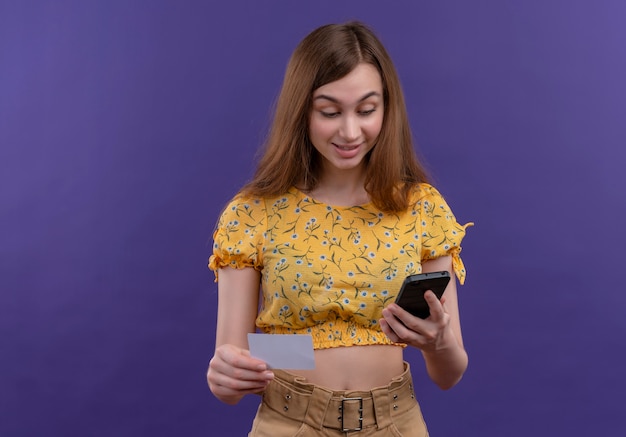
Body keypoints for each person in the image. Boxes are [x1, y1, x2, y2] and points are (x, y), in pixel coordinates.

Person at [207, 21, 472, 436]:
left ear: (387, 108)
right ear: (302, 110)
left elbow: (449, 374)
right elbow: (237, 360)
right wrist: (224, 373)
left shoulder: (421, 207)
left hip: (394, 423)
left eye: (367, 110)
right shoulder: (253, 213)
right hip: (288, 422)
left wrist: (437, 342)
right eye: (330, 112)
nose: (350, 131)